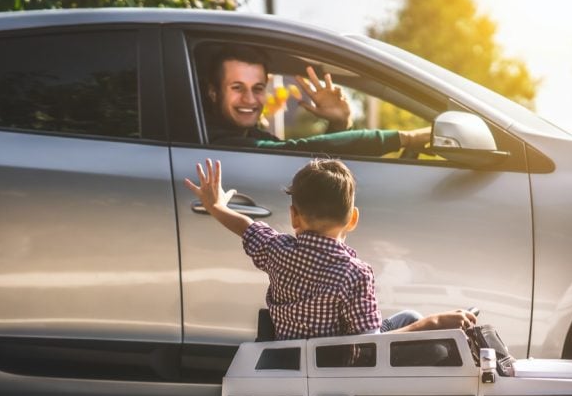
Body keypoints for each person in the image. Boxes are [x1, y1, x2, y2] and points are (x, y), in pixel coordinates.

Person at [184, 156, 475, 340]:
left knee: (409, 318)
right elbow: (369, 344)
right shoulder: (356, 274)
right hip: (337, 370)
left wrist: (216, 206)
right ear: (353, 219)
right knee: (412, 318)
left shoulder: (276, 251)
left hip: (292, 359)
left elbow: (245, 225)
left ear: (294, 216)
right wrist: (435, 322)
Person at [204, 44, 431, 156]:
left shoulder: (250, 135)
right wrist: (406, 138)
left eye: (258, 88)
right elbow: (294, 152)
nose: (250, 99)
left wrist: (339, 124)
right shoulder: (217, 143)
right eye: (237, 88)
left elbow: (314, 167)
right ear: (213, 92)